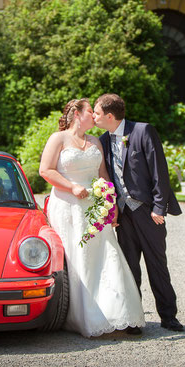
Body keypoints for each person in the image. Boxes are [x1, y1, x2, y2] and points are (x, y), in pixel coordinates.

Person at [39, 98, 145, 337]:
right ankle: (81, 316)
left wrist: (111, 204)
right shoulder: (58, 139)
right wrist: (71, 187)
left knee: (108, 254)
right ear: (77, 114)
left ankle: (120, 314)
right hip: (68, 206)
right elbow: (45, 170)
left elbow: (104, 175)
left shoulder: (95, 141)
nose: (94, 116)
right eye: (90, 111)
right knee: (78, 258)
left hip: (95, 207)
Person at [93, 93, 184, 332]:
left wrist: (158, 207)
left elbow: (159, 171)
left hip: (147, 212)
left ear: (109, 115)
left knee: (157, 265)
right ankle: (134, 319)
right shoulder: (102, 141)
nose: (94, 116)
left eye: (96, 113)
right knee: (129, 267)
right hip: (123, 216)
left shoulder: (143, 132)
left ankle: (168, 316)